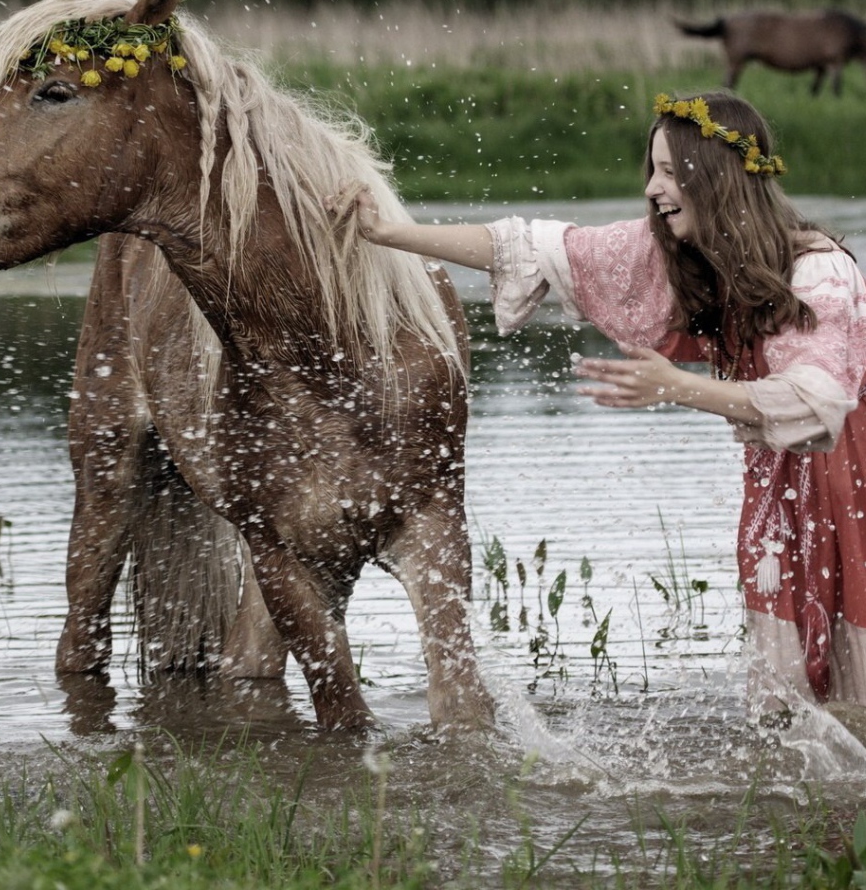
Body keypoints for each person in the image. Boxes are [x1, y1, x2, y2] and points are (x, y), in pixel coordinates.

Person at [333, 89, 866, 720]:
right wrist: (387, 232)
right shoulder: (676, 254)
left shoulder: (817, 272)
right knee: (782, 711)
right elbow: (531, 246)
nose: (652, 189)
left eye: (670, 172)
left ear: (715, 178)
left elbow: (818, 409)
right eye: (652, 170)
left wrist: (676, 387)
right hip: (775, 495)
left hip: (850, 486)